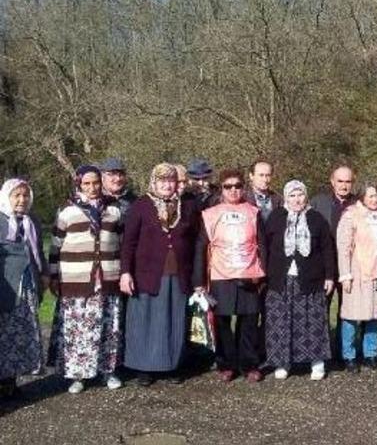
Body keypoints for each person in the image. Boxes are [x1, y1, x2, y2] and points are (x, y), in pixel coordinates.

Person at [47, 165, 125, 394]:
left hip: (108, 278)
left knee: (108, 327)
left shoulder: (114, 209)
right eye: (86, 184)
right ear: (79, 184)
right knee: (78, 329)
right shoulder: (67, 211)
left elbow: (122, 244)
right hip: (76, 280)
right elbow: (55, 247)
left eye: (96, 183)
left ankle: (107, 371)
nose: (92, 188)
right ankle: (78, 375)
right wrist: (53, 276)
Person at [120, 163, 200, 386]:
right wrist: (126, 272)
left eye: (171, 180)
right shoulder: (141, 206)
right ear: (153, 182)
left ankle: (172, 365)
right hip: (148, 274)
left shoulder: (187, 206)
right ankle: (144, 368)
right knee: (147, 321)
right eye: (162, 180)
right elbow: (129, 243)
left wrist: (198, 276)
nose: (167, 185)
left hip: (179, 273)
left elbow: (196, 240)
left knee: (174, 321)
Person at [193, 169, 265, 383]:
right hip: (220, 275)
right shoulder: (210, 214)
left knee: (249, 321)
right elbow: (201, 247)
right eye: (228, 186)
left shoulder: (254, 212)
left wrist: (264, 275)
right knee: (222, 322)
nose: (233, 190)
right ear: (222, 189)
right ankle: (226, 364)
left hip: (249, 273)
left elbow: (263, 245)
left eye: (237, 186)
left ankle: (249, 364)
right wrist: (198, 282)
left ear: (243, 188)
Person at [263, 180, 334, 380]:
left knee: (312, 321)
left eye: (300, 195)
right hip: (281, 280)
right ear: (286, 197)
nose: (296, 199)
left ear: (306, 196)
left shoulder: (316, 218)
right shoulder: (276, 217)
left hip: (310, 279)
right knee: (281, 322)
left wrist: (329, 276)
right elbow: (266, 247)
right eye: (292, 196)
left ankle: (317, 362)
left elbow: (327, 249)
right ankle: (283, 363)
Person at [336, 183, 377, 372]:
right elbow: (344, 247)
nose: (375, 199)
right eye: (370, 196)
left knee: (375, 315)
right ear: (362, 197)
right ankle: (349, 355)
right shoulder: (351, 215)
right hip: (358, 272)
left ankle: (371, 354)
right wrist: (345, 275)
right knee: (352, 315)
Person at [0, 179, 49, 398]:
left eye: (25, 195)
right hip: (6, 285)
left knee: (22, 331)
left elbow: (38, 250)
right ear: (6, 197)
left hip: (28, 282)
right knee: (4, 331)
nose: (22, 200)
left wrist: (45, 274)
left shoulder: (32, 221)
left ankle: (12, 380)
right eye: (16, 195)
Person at [310, 165, 357, 363]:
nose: (344, 186)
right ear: (332, 182)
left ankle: (344, 351)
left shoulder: (358, 203)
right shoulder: (318, 202)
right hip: (324, 266)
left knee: (347, 310)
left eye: (348, 182)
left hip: (351, 265)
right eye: (340, 181)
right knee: (321, 308)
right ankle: (321, 351)